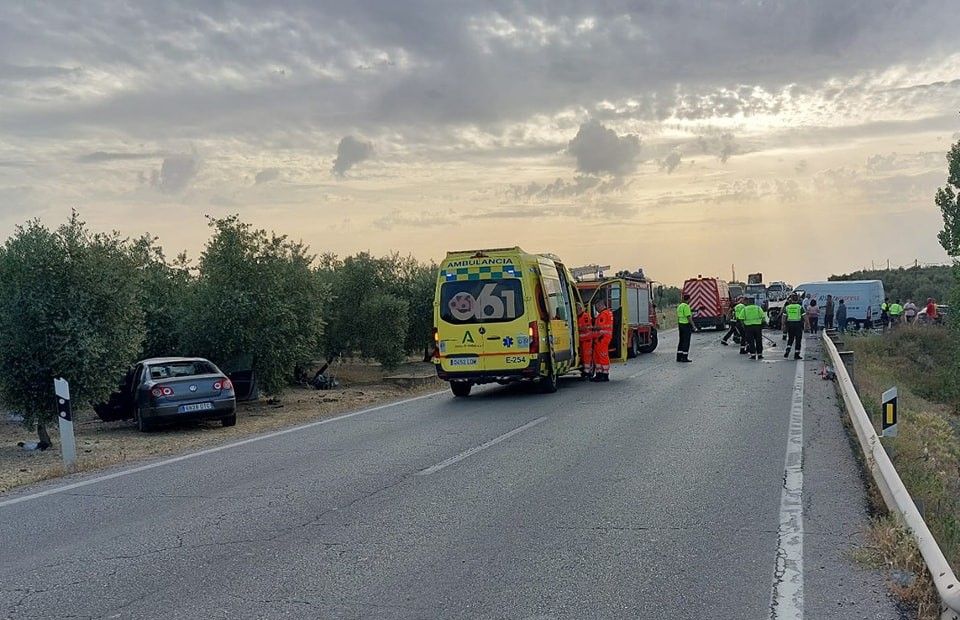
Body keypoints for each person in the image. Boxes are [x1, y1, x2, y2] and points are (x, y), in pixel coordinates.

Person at [592, 300, 613, 381]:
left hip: (602, 338)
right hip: (603, 338)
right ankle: (599, 374)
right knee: (598, 356)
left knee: (602, 356)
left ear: (600, 306)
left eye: (597, 308)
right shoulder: (608, 313)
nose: (597, 310)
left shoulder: (603, 315)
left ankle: (604, 374)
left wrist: (592, 330)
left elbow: (600, 327)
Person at [781, 294, 804, 360]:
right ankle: (796, 354)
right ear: (797, 299)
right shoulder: (799, 307)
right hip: (798, 324)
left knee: (790, 338)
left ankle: (788, 349)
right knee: (798, 340)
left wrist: (783, 325)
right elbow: (805, 316)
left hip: (790, 324)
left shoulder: (787, 307)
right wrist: (807, 324)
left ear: (791, 299)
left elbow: (784, 317)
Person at [576, 303, 595, 379]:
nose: (576, 311)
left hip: (587, 339)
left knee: (586, 356)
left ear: (580, 309)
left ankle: (587, 372)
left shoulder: (585, 316)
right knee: (583, 356)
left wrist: (578, 329)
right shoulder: (578, 317)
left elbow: (586, 327)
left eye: (577, 309)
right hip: (581, 340)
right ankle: (585, 370)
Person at [676, 293, 695, 363]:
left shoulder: (679, 306)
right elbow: (688, 317)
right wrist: (693, 326)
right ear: (688, 299)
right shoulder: (686, 306)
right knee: (686, 342)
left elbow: (679, 316)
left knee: (681, 341)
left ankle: (679, 357)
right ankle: (684, 357)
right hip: (686, 325)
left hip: (680, 324)